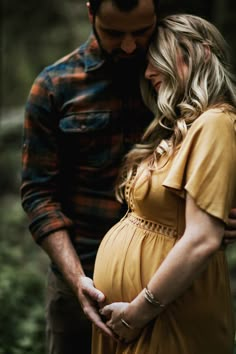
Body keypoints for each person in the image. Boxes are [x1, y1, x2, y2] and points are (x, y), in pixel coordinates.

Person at [20, 1, 236, 353]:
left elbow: (215, 160)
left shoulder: (174, 79)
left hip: (169, 285)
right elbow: (38, 194)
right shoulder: (54, 85)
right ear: (91, 13)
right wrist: (77, 280)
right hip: (78, 272)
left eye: (141, 33)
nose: (130, 46)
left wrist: (219, 213)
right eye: (114, 33)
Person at [92, 14, 236, 354]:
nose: (148, 72)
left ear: (199, 54)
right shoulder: (182, 128)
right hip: (138, 317)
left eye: (158, 58)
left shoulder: (216, 123)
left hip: (165, 314)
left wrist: (136, 315)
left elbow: (202, 239)